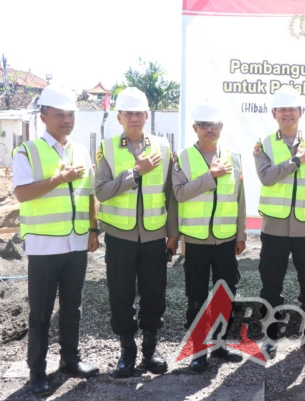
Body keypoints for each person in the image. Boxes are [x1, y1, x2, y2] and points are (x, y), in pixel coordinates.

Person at [12, 86, 100, 395]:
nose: (67, 120)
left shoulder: (80, 149)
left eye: (71, 115)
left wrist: (93, 229)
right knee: (40, 313)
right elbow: (21, 193)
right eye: (60, 114)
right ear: (44, 116)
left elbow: (88, 193)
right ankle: (37, 371)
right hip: (44, 246)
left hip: (76, 244)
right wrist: (59, 179)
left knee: (72, 308)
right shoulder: (28, 151)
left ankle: (70, 361)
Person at [96, 87, 178, 377]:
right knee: (120, 294)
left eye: (139, 113)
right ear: (119, 117)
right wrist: (135, 172)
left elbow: (171, 193)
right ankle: (127, 350)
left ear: (147, 116)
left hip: (155, 235)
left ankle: (151, 349)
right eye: (128, 113)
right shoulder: (106, 148)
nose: (134, 118)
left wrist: (173, 233)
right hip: (120, 236)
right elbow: (101, 192)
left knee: (154, 293)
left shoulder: (163, 147)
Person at [254, 84, 305, 361]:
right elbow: (267, 177)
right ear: (274, 113)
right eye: (282, 109)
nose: (287, 114)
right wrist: (297, 160)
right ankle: (270, 338)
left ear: (300, 112)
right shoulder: (263, 144)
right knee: (270, 285)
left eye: (292, 109)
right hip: (274, 227)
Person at [172, 101, 246, 372]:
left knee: (226, 294)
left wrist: (240, 235)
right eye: (203, 125)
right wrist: (210, 176)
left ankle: (220, 344)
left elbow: (239, 199)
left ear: (221, 127)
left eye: (213, 125)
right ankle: (198, 350)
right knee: (197, 297)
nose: (209, 130)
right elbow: (179, 194)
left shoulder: (234, 157)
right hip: (196, 241)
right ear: (195, 128)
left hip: (226, 240)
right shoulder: (183, 157)